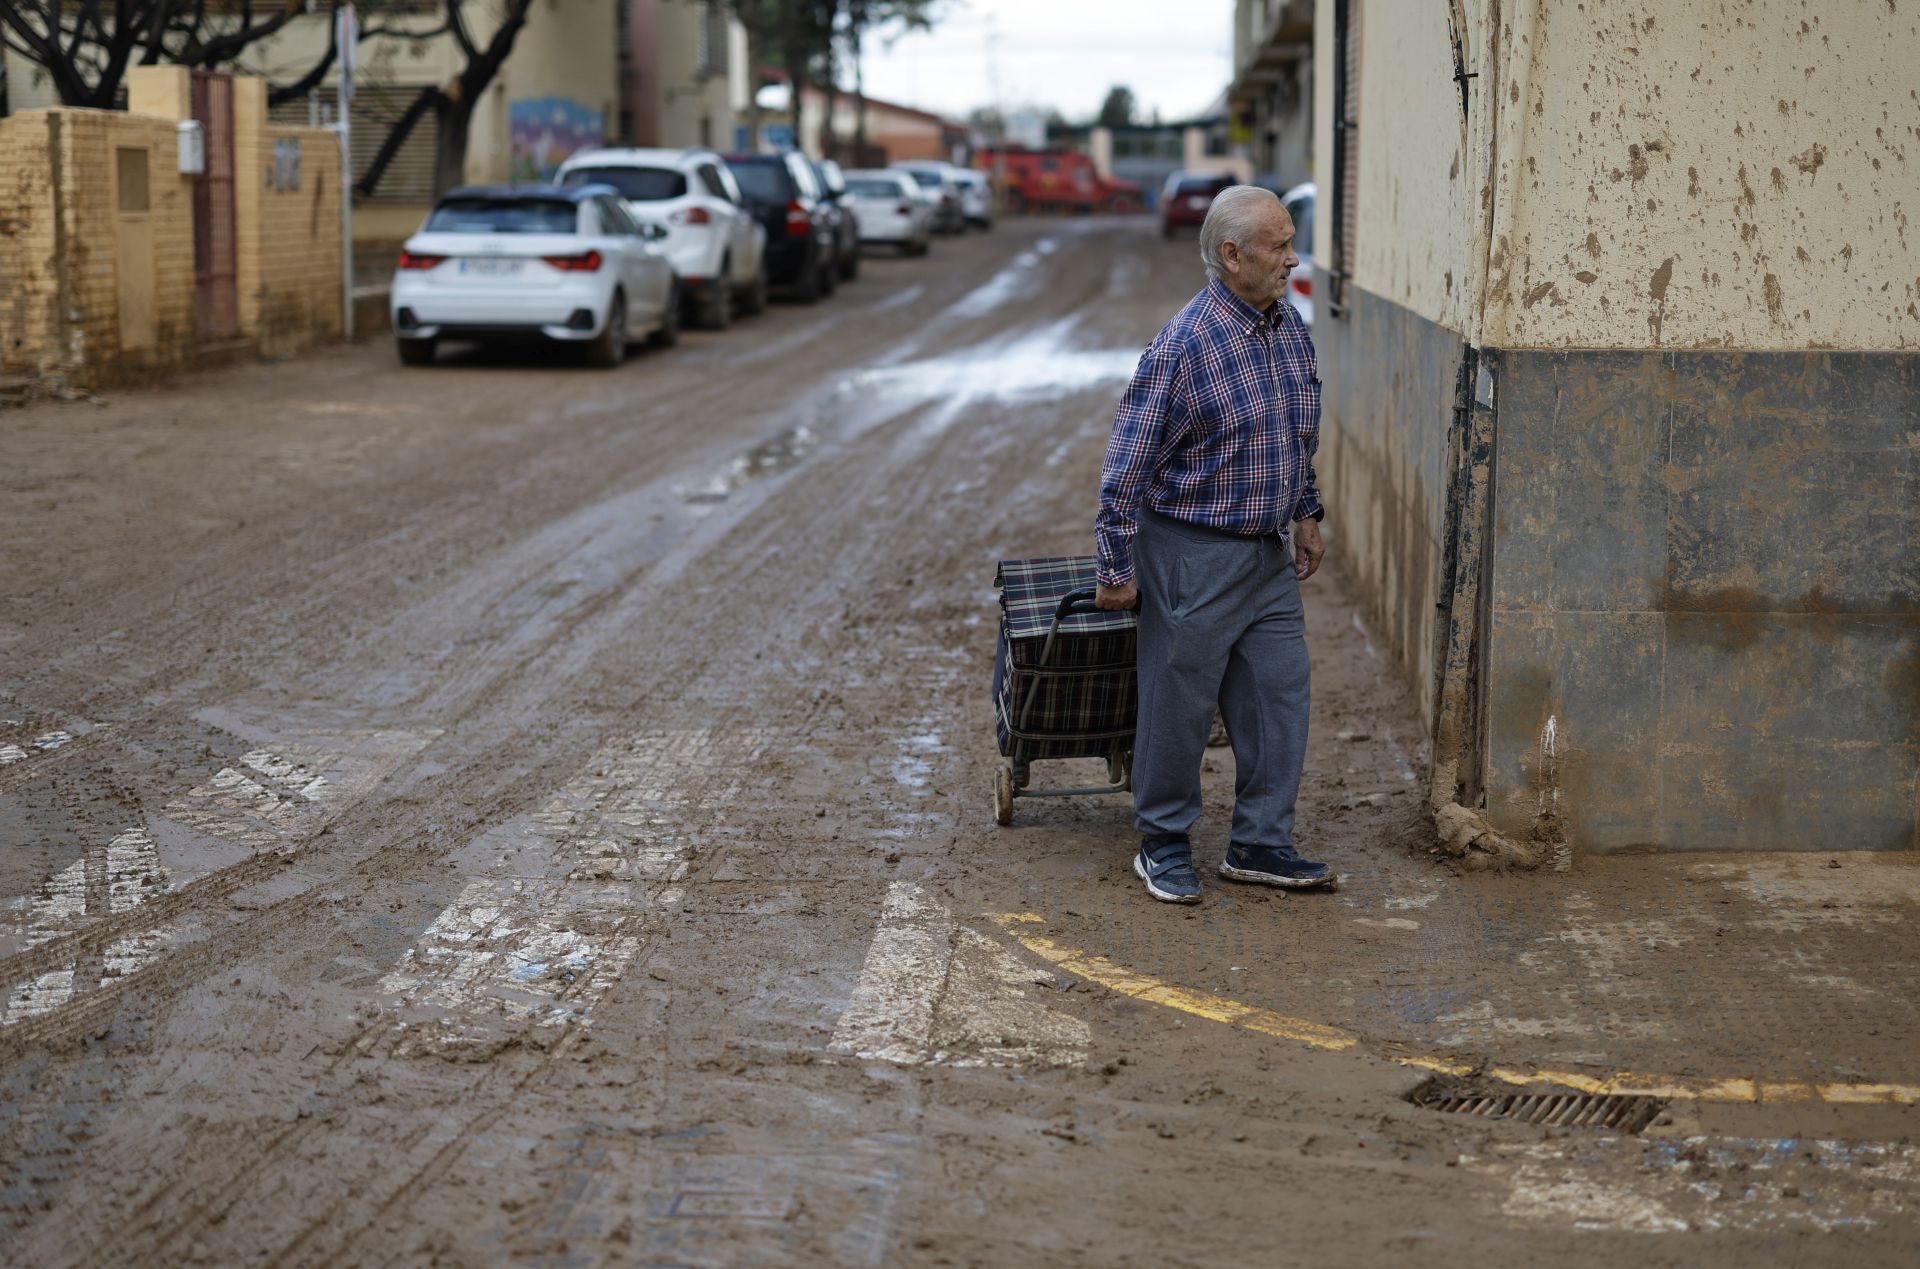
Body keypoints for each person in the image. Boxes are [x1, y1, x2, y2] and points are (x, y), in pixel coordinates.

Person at [1093, 185, 1333, 904]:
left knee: (1279, 694)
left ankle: (1261, 839)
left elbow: (1294, 431)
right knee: (1180, 702)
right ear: (1232, 255)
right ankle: (1162, 839)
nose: (1292, 259)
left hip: (1264, 555)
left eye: (1291, 242)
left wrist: (1307, 513)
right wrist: (1115, 563)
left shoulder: (1287, 325)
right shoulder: (1184, 345)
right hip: (1190, 554)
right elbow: (1124, 466)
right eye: (1278, 246)